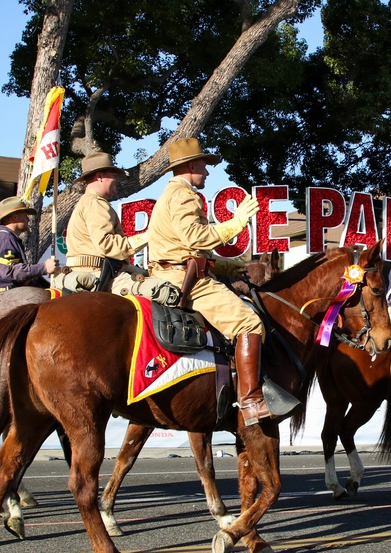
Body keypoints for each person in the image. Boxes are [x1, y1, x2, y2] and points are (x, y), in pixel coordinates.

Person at [146, 138, 269, 424]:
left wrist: (229, 265)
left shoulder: (170, 195)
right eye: (204, 165)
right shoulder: (183, 195)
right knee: (249, 323)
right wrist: (237, 222)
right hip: (185, 279)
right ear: (191, 165)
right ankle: (250, 401)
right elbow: (195, 238)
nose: (207, 172)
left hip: (175, 270)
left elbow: (187, 249)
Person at [59, 152, 148, 294]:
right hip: (99, 275)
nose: (116, 179)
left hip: (87, 272)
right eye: (113, 174)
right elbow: (107, 244)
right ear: (99, 177)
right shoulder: (96, 204)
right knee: (160, 291)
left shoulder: (85, 202)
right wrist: (148, 236)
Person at [0, 197, 58, 294]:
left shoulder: (6, 237)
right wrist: (43, 268)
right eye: (25, 215)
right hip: (4, 296)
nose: (28, 219)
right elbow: (9, 272)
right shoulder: (4, 239)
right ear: (15, 217)